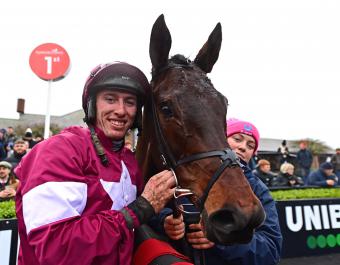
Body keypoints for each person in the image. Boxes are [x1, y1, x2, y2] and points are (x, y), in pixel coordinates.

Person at [15, 62, 176, 265]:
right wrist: (140, 210)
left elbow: (137, 206)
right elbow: (56, 249)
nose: (120, 110)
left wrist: (163, 220)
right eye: (110, 99)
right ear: (92, 104)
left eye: (129, 102)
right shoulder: (59, 151)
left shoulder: (128, 159)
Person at [161, 118, 282, 265]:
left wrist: (224, 241)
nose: (243, 147)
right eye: (237, 139)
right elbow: (150, 210)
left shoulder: (259, 190)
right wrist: (165, 221)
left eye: (250, 145)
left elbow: (270, 251)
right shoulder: (185, 173)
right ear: (219, 139)